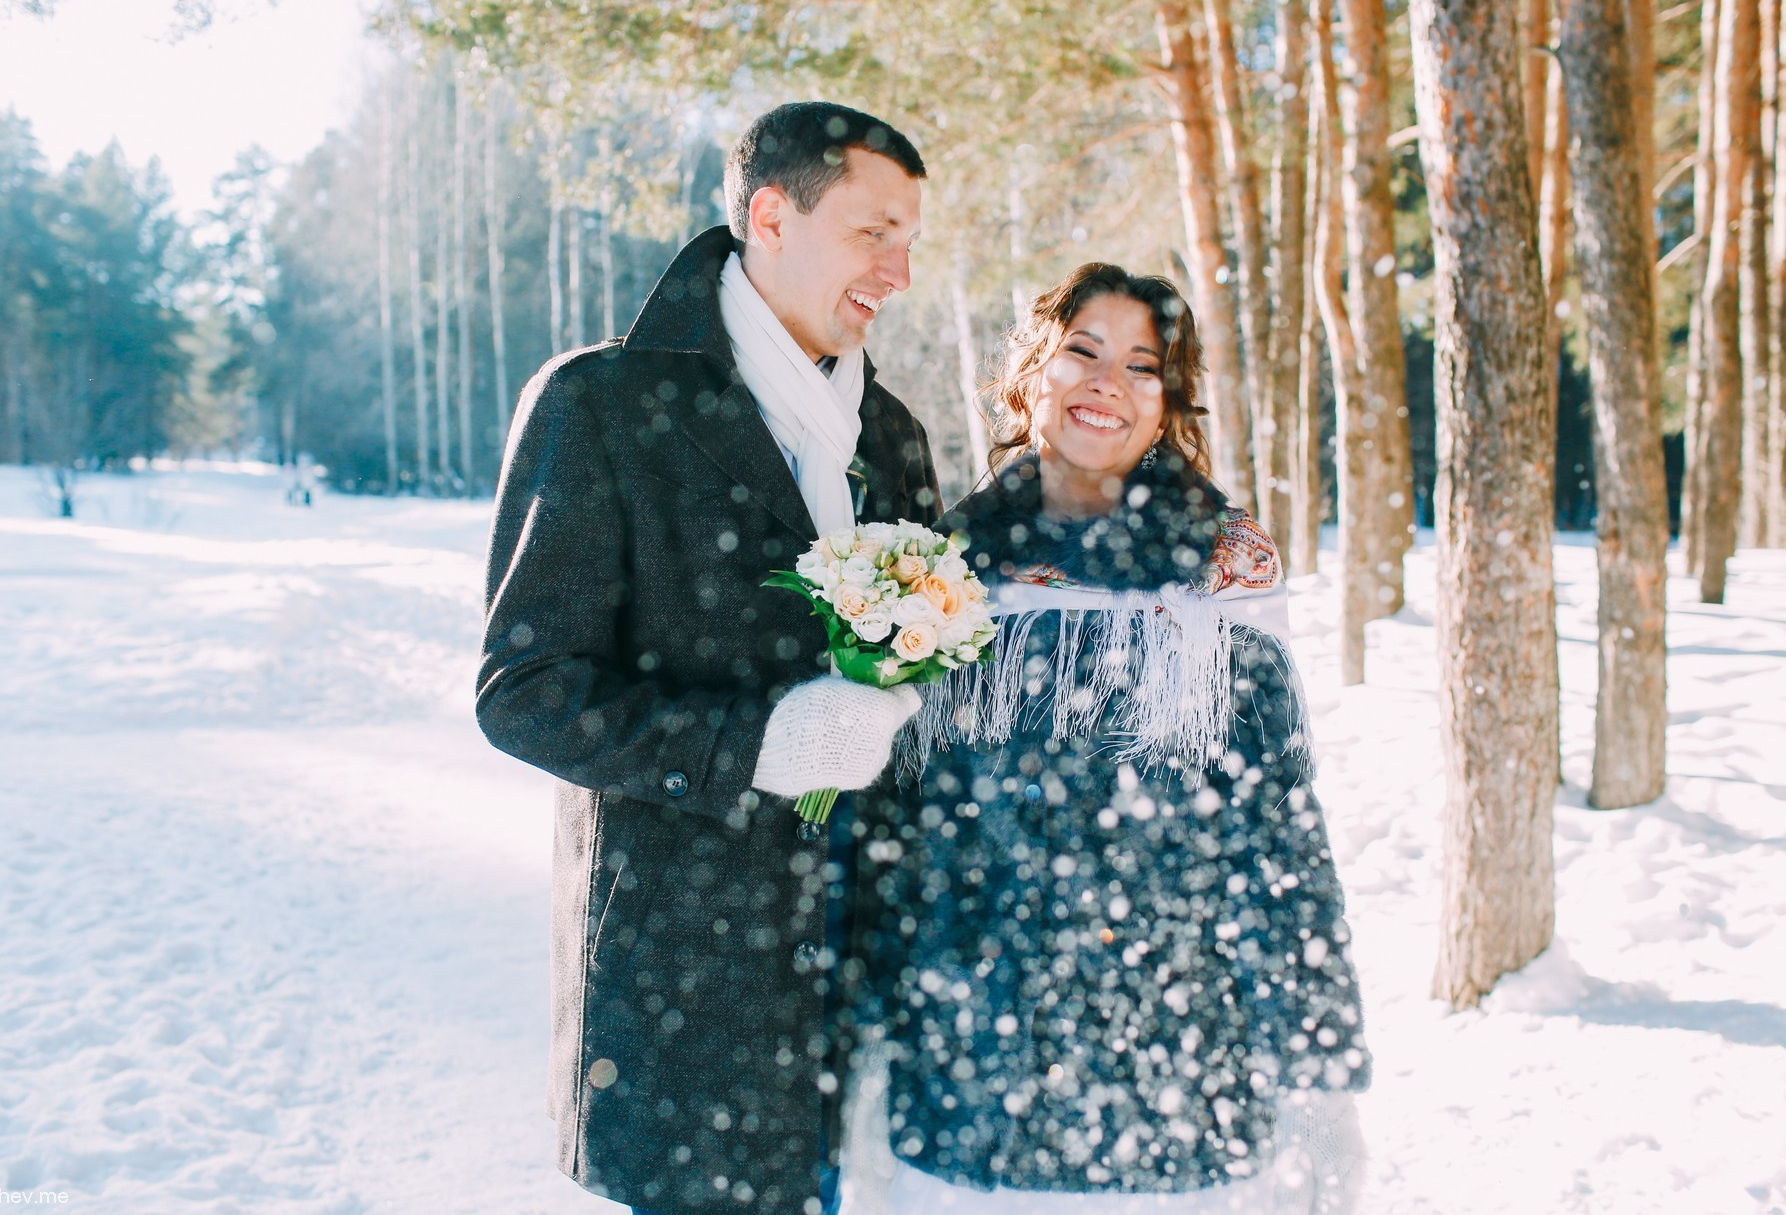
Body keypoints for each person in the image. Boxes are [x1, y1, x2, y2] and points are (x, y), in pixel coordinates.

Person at [476, 102, 941, 1215]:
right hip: (687, 983)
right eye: (875, 231)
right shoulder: (603, 402)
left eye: (911, 237)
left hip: (862, 975)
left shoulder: (892, 436)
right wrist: (754, 745)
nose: (901, 269)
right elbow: (524, 693)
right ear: (772, 215)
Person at [850, 264, 1371, 1214]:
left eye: (1143, 366)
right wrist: (864, 1047)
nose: (1109, 383)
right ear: (1028, 374)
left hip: (1181, 1085)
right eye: (1083, 352)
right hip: (967, 1083)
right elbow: (897, 834)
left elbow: (1279, 833)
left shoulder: (1227, 564)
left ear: (1167, 403)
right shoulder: (938, 567)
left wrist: (1319, 1073)